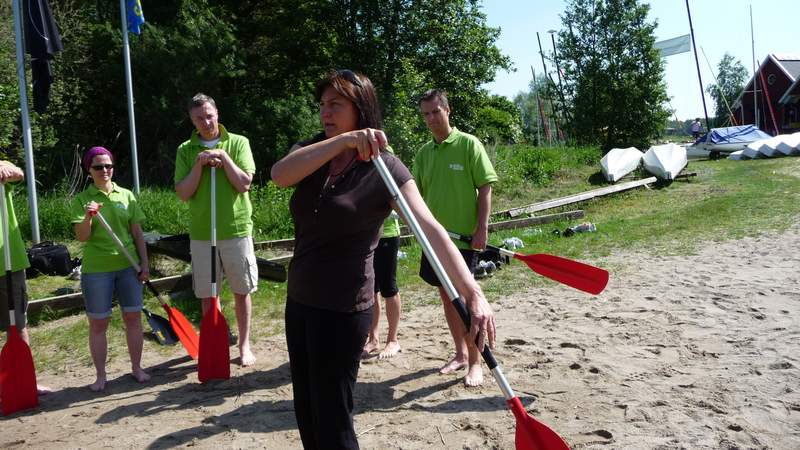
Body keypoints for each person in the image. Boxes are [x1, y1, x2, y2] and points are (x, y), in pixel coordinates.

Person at [271, 70, 496, 450]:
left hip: (343, 310)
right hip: (300, 303)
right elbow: (279, 175)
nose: (325, 113)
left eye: (335, 105)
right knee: (306, 412)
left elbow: (431, 228)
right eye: (323, 105)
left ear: (360, 108)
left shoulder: (384, 167)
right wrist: (341, 140)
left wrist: (472, 291)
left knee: (333, 420)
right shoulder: (312, 149)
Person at [414, 89, 498, 387]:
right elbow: (417, 197)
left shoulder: (468, 144)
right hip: (435, 243)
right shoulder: (424, 153)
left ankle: (476, 362)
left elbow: (486, 187)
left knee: (467, 302)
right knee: (447, 299)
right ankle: (461, 353)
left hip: (463, 241)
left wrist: (482, 228)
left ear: (447, 111)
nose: (431, 119)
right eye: (425, 114)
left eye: (435, 112)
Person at [174, 93, 258, 367]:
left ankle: (244, 346)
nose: (206, 121)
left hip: (235, 229)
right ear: (192, 120)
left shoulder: (238, 143)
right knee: (209, 294)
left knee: (241, 290)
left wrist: (224, 158)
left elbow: (244, 183)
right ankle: (218, 344)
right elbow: (184, 193)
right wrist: (199, 164)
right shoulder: (185, 150)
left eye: (209, 115)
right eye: (199, 118)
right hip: (201, 233)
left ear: (217, 113)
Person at [70, 147, 151, 391]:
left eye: (108, 166)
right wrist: (88, 217)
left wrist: (144, 264)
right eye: (98, 167)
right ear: (89, 170)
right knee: (98, 323)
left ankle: (137, 368)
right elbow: (82, 237)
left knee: (133, 318)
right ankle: (100, 375)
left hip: (129, 266)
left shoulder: (126, 195)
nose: (104, 170)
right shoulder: (82, 200)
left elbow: (137, 233)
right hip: (97, 270)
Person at [0, 160, 52, 400]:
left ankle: (24, 380)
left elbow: (18, 173)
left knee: (19, 325)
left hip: (11, 262)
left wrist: (4, 169)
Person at [361, 211, 402, 359]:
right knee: (371, 288)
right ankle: (373, 339)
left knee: (389, 288)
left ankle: (393, 340)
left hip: (387, 235)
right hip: (367, 234)